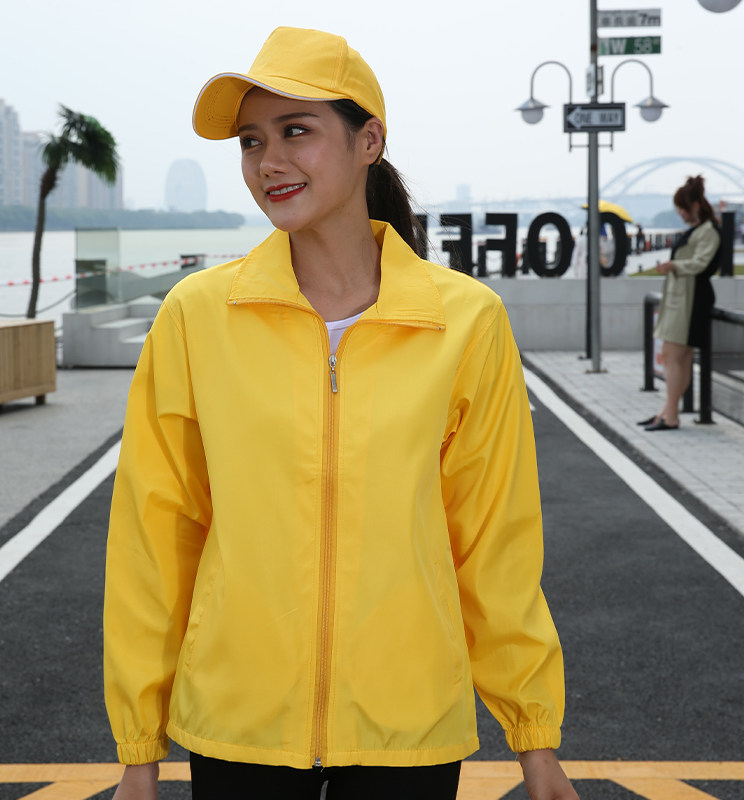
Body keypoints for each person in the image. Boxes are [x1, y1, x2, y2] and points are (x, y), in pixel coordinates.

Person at [103, 26, 579, 800]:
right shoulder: (196, 316)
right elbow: (155, 536)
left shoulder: (465, 322)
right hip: (237, 724)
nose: (269, 161)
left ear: (369, 142)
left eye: (296, 131)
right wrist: (138, 750)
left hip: (410, 726)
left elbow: (495, 543)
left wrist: (535, 739)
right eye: (252, 141)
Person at [640, 175, 721, 431]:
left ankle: (671, 414)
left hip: (691, 298)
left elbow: (701, 263)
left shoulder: (708, 231)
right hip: (684, 296)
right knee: (678, 357)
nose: (680, 213)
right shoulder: (702, 230)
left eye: (683, 208)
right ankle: (667, 411)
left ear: (695, 206)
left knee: (673, 355)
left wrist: (674, 265)